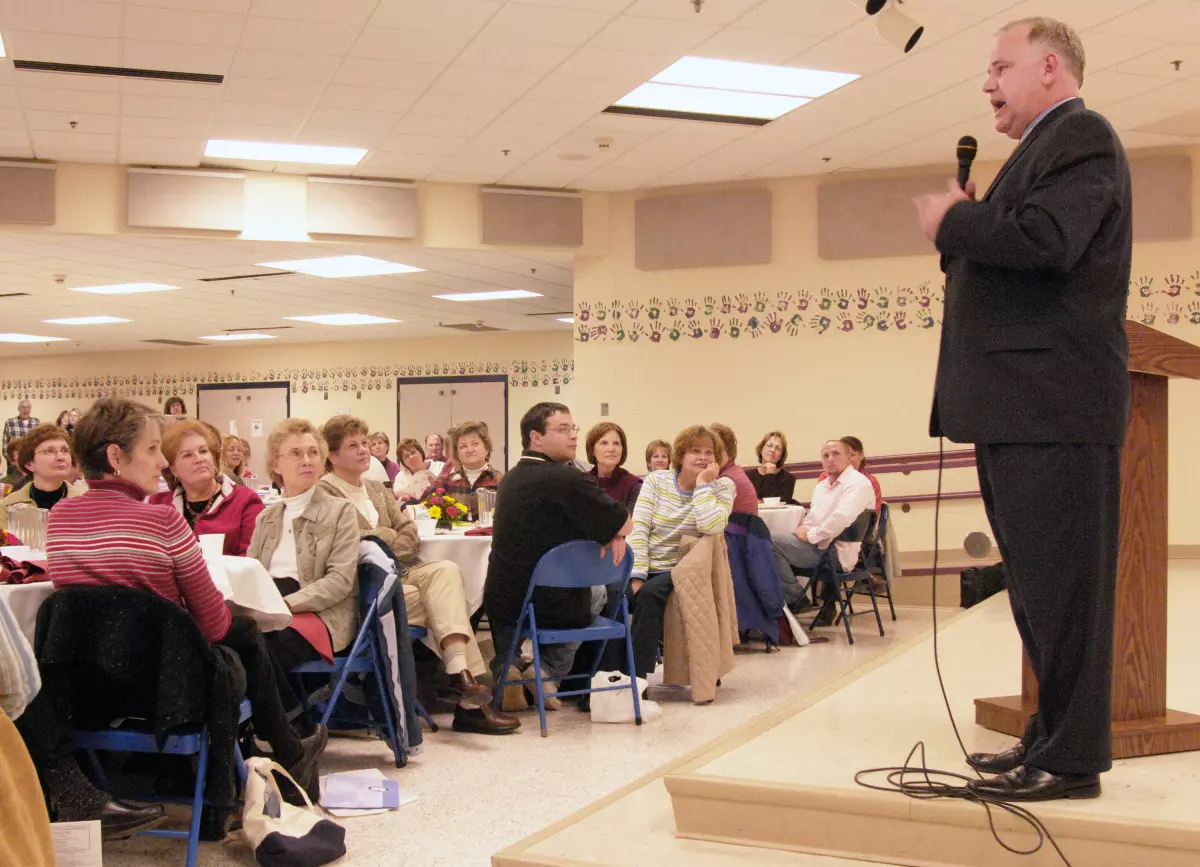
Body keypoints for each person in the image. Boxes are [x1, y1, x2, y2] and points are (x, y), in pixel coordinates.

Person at [914, 17, 1130, 803]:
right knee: (1040, 593)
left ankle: (1074, 761)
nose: (987, 82)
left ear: (1049, 67)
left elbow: (1047, 241)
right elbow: (1020, 248)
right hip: (1019, 409)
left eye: (1000, 67)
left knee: (1067, 593)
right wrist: (971, 225)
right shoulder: (1039, 152)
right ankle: (1049, 737)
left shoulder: (1084, 137)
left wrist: (957, 221)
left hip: (1055, 409)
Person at [35, 398, 325, 834]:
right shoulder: (163, 520)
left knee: (235, 631)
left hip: (88, 691)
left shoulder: (59, 517)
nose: (162, 461)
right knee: (240, 629)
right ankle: (284, 750)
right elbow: (212, 626)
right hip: (173, 690)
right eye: (153, 450)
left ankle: (286, 747)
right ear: (116, 457)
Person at [317, 416, 517, 734]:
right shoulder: (325, 493)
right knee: (441, 602)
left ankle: (460, 678)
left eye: (365, 443)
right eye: (352, 445)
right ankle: (470, 697)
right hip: (361, 586)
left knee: (447, 572)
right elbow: (353, 545)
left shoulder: (375, 489)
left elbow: (410, 532)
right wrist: (383, 535)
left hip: (399, 572)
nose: (363, 450)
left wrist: (381, 536)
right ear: (332, 454)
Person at [485, 403, 629, 711]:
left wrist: (611, 530)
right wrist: (615, 532)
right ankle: (546, 670)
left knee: (507, 588)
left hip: (503, 602)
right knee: (598, 593)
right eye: (562, 429)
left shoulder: (507, 480)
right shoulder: (568, 479)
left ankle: (507, 667)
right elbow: (625, 522)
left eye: (573, 428)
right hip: (555, 605)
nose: (573, 436)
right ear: (536, 438)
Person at [247, 419, 361, 672]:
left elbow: (340, 581)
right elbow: (252, 573)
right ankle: (287, 710)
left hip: (319, 614)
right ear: (276, 464)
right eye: (296, 453)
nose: (307, 460)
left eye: (313, 453)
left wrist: (285, 605)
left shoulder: (340, 511)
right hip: (268, 607)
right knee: (222, 643)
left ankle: (281, 711)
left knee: (257, 650)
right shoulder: (266, 517)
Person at [627, 425, 734, 678]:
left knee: (649, 596)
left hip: (684, 569)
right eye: (695, 451)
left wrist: (703, 486)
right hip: (648, 564)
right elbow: (639, 529)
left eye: (709, 452)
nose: (702, 457)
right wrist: (637, 575)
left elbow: (711, 524)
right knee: (610, 595)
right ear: (681, 455)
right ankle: (603, 678)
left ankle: (636, 679)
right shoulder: (656, 481)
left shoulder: (723, 487)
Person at [769, 440, 875, 618]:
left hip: (837, 553)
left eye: (836, 454)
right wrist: (804, 528)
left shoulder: (858, 484)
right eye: (826, 455)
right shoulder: (822, 486)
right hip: (821, 546)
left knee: (769, 541)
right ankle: (785, 599)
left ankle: (795, 598)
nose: (830, 459)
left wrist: (810, 535)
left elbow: (840, 519)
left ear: (849, 457)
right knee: (766, 541)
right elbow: (813, 517)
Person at [149, 419, 264, 556]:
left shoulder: (246, 501)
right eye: (187, 455)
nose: (199, 459)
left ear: (213, 458)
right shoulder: (158, 505)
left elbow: (251, 560)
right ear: (172, 469)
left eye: (203, 451)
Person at [0, 424, 82, 532]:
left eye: (65, 450)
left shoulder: (85, 504)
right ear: (29, 464)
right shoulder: (8, 507)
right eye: (49, 451)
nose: (61, 457)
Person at [424, 421, 502, 519]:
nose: (470, 450)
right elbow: (427, 511)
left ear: (486, 449)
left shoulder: (501, 481)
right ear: (457, 453)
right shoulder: (446, 482)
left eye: (475, 444)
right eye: (463, 446)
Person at [586, 422, 642, 514]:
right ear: (592, 450)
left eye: (616, 443)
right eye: (604, 443)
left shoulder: (634, 485)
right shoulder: (582, 482)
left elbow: (630, 524)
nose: (611, 449)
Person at [817, 436, 882, 512]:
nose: (848, 459)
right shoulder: (826, 479)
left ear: (861, 455)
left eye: (851, 455)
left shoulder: (869, 481)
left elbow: (874, 513)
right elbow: (820, 510)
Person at [710, 423, 758, 516]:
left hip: (738, 529)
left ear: (729, 451)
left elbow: (714, 521)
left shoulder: (727, 481)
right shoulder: (735, 471)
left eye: (719, 450)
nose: (714, 455)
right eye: (711, 450)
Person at [750, 431, 796, 503]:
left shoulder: (788, 478)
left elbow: (775, 506)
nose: (772, 450)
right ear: (761, 449)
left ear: (781, 456)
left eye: (778, 448)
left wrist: (770, 475)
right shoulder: (748, 476)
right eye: (769, 445)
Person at [392, 437, 435, 502]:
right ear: (403, 462)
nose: (411, 457)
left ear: (420, 452)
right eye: (406, 456)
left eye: (413, 452)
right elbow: (399, 497)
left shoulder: (439, 467)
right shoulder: (401, 476)